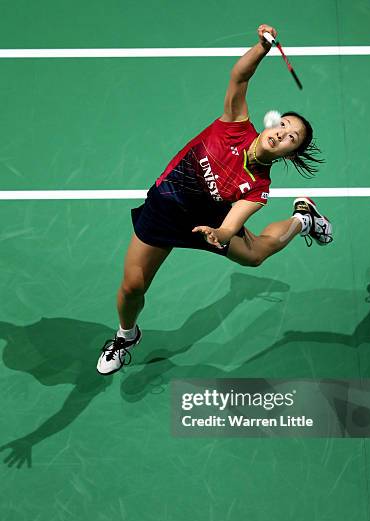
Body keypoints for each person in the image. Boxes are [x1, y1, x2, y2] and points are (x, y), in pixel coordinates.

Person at [97, 23, 332, 376]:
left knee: (255, 257)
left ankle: (303, 218)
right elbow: (239, 77)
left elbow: (231, 224)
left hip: (206, 224)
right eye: (283, 125)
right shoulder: (234, 124)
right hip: (164, 208)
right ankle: (126, 336)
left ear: (288, 153)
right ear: (271, 125)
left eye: (291, 139)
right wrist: (261, 49)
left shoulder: (258, 188)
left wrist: (219, 236)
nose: (282, 133)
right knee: (132, 287)